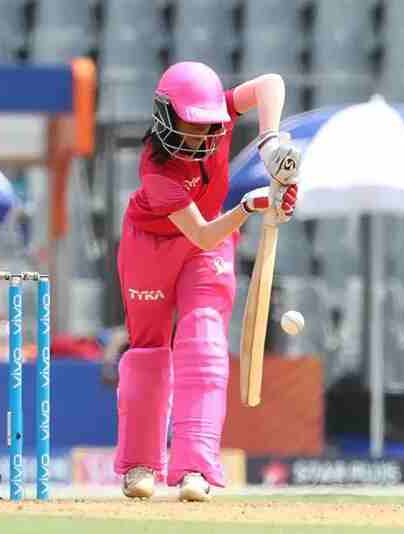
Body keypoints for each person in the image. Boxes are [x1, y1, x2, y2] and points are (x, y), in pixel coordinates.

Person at [115, 61, 300, 502]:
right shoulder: (156, 171)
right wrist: (250, 206)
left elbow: (270, 83)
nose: (200, 136)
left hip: (205, 250)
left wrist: (270, 143)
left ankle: (195, 469)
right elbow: (201, 232)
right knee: (148, 351)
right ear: (166, 117)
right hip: (154, 244)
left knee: (204, 340)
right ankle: (140, 464)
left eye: (207, 125)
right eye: (190, 124)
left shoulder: (221, 118)